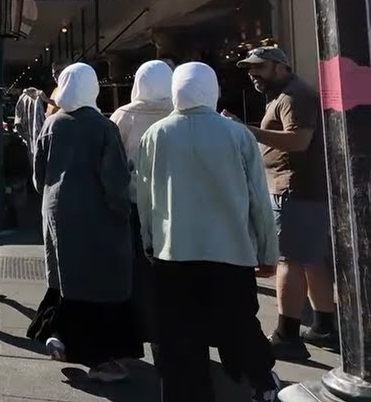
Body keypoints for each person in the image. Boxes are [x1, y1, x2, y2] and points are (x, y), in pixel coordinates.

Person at [137, 62, 282, 401]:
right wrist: (267, 251)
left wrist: (148, 240)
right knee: (239, 325)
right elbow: (259, 200)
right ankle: (261, 383)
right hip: (231, 251)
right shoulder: (238, 134)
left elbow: (145, 197)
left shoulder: (155, 135)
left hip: (174, 252)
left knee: (180, 337)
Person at [26, 62, 141, 382]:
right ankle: (99, 360)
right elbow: (115, 182)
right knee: (98, 285)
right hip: (96, 214)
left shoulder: (52, 123)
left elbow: (37, 176)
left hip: (56, 211)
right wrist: (123, 214)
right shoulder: (104, 127)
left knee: (64, 279)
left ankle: (57, 333)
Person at [225, 46, 335, 358]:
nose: (252, 74)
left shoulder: (293, 96)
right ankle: (324, 326)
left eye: (259, 67)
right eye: (249, 69)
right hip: (300, 190)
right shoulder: (286, 95)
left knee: (289, 262)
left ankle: (287, 336)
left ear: (280, 66)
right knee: (310, 259)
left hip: (294, 191)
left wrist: (246, 131)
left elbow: (299, 140)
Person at [108, 59, 174, 355]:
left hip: (134, 205)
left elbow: (113, 159)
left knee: (137, 273)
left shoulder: (123, 116)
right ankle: (166, 334)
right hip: (173, 207)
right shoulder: (179, 111)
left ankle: (140, 330)